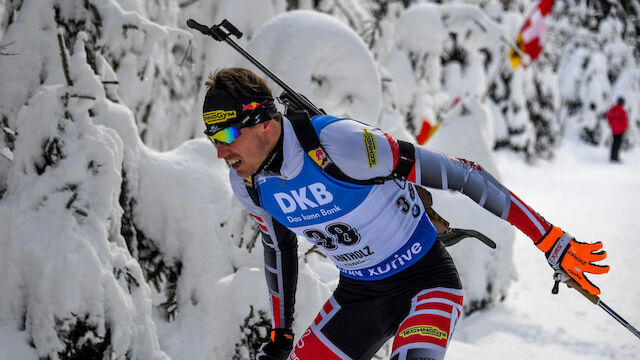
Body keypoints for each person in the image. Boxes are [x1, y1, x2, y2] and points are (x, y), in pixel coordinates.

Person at [203, 68, 610, 360]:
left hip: (425, 281)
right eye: (212, 139)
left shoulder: (338, 143)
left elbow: (462, 174)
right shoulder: (249, 182)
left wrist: (550, 238)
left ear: (265, 125)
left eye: (225, 136)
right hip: (359, 294)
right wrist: (281, 332)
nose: (220, 152)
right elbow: (278, 250)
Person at [606, 97, 629, 162]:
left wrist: (611, 124)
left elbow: (608, 116)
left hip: (614, 129)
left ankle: (612, 156)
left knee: (614, 143)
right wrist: (625, 128)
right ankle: (615, 157)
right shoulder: (622, 110)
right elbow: (625, 121)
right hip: (620, 130)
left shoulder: (612, 109)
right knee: (617, 144)